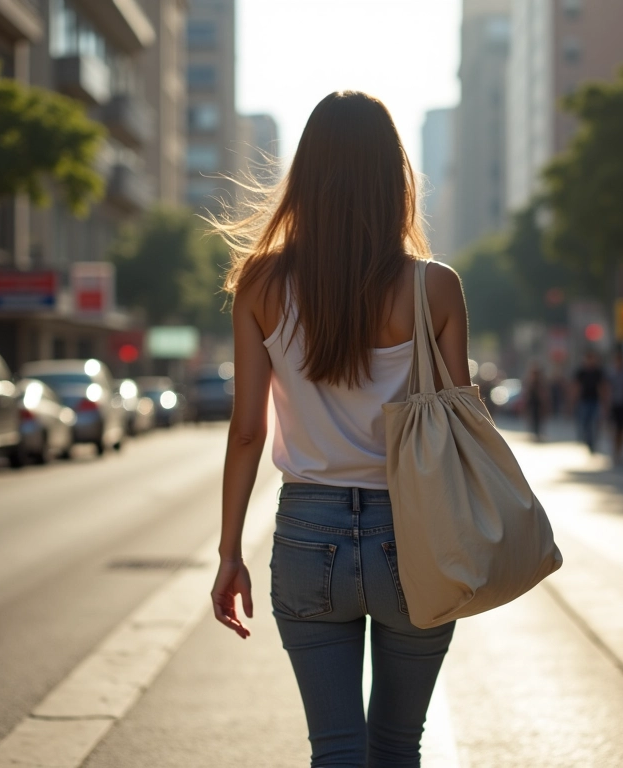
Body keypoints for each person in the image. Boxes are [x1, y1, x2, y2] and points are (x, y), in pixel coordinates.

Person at [209, 91, 470, 767]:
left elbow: (245, 431)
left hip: (305, 532)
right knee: (396, 747)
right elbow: (458, 428)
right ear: (395, 178)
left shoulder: (260, 285)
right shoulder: (435, 288)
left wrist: (230, 552)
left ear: (306, 175)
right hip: (412, 532)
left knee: (336, 751)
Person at [573, 350, 606, 454]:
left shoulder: (598, 372)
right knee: (585, 422)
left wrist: (604, 400)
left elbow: (602, 387)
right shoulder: (581, 372)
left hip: (595, 400)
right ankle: (587, 440)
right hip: (584, 400)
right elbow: (577, 386)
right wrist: (574, 399)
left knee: (595, 422)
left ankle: (592, 442)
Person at [524, 362, 549, 441]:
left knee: (539, 420)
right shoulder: (530, 382)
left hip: (539, 405)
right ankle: (534, 434)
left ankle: (537, 434)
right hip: (532, 404)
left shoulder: (540, 383)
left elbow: (543, 394)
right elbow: (527, 394)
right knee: (532, 420)